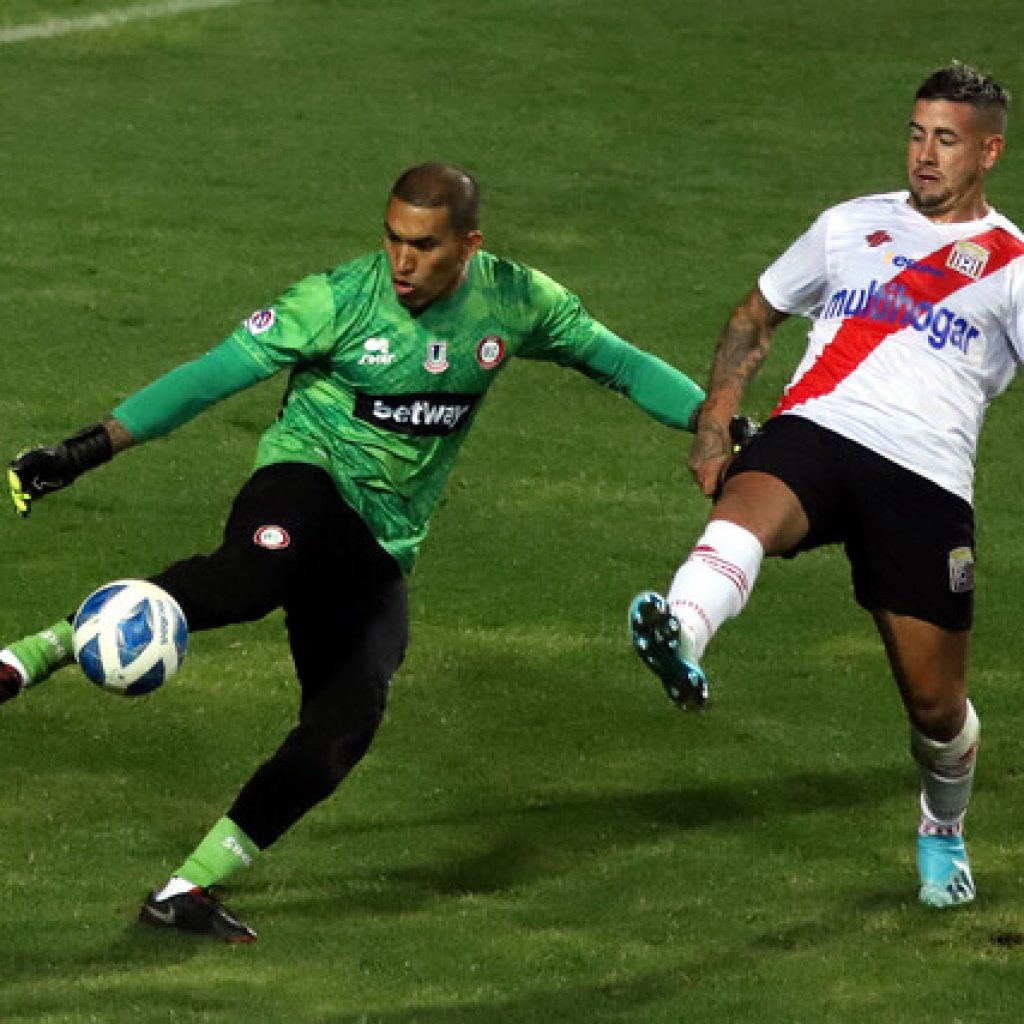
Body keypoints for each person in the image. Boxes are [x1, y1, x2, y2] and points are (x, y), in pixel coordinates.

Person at [1, 163, 716, 942]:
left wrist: (726, 430)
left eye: (425, 247)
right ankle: (28, 656)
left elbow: (620, 362)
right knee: (249, 578)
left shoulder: (515, 300)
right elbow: (208, 378)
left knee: (347, 722)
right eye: (392, 239)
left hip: (381, 544)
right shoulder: (337, 300)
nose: (402, 263)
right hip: (304, 485)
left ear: (469, 245)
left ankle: (186, 890)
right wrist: (82, 451)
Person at [629, 62, 1022, 909]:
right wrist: (715, 419)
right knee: (748, 505)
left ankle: (943, 825)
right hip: (819, 429)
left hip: (925, 475)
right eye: (917, 134)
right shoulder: (850, 225)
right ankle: (682, 633)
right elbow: (755, 316)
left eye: (946, 141)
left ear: (988, 151)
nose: (924, 155)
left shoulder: (1014, 263)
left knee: (934, 703)